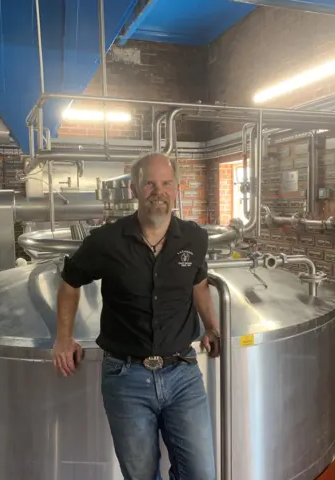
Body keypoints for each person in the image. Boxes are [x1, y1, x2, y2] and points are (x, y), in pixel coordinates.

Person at [53, 152, 220, 480]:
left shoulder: (194, 238)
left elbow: (199, 285)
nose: (159, 191)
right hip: (126, 377)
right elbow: (70, 283)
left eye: (166, 183)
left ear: (177, 188)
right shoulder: (106, 241)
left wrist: (212, 326)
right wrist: (63, 337)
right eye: (150, 184)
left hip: (182, 372)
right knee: (141, 475)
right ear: (134, 189)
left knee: (201, 473)